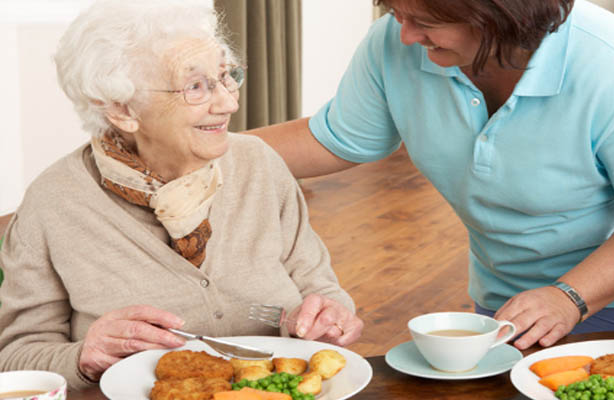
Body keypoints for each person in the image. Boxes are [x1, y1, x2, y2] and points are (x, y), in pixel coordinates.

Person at [250, 0, 614, 351]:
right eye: (396, 12)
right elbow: (334, 138)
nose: (406, 35)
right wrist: (205, 150)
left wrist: (568, 297)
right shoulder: (395, 45)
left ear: (500, 14)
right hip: (508, 290)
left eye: (427, 22)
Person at [0, 0, 362, 389]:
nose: (229, 102)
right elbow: (16, 357)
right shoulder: (53, 202)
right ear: (122, 109)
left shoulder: (258, 164)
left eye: (226, 77)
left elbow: (319, 286)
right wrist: (83, 357)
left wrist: (330, 317)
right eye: (196, 86)